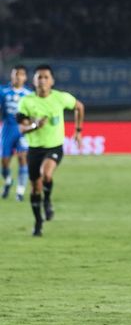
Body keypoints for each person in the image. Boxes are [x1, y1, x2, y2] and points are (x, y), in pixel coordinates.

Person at [17, 65, 85, 237]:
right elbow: (22, 129)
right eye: (39, 77)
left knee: (46, 174)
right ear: (34, 81)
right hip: (34, 149)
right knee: (35, 188)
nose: (42, 81)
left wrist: (78, 131)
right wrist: (34, 126)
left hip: (54, 147)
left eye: (46, 77)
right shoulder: (27, 102)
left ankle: (47, 201)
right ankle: (38, 222)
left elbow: (79, 107)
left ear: (52, 81)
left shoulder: (61, 98)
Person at [1, 65, 32, 201]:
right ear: (11, 76)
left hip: (23, 130)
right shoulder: (3, 91)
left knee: (22, 158)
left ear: (25, 77)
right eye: (16, 74)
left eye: (21, 74)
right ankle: (8, 181)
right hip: (7, 129)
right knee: (5, 162)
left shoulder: (29, 94)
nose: (18, 77)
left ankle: (20, 191)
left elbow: (33, 113)